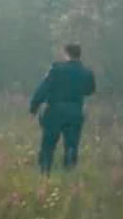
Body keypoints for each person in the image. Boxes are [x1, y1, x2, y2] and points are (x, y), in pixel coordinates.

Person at [29, 43, 96, 174]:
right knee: (71, 145)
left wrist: (34, 107)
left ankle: (45, 173)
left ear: (66, 53)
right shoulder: (87, 73)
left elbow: (43, 89)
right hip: (75, 112)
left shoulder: (56, 69)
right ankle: (69, 172)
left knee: (48, 144)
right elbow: (90, 90)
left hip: (55, 111)